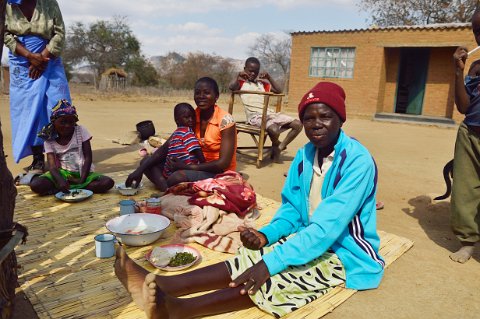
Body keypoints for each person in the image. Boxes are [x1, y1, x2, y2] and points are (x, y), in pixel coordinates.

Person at [115, 81, 384, 319]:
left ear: (341, 119)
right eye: (309, 118)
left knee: (279, 275)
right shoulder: (305, 155)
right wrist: (267, 235)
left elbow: (327, 229)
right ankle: (164, 285)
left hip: (346, 251)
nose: (316, 124)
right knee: (250, 257)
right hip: (308, 236)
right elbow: (292, 209)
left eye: (325, 116)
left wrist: (270, 263)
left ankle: (177, 310)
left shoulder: (357, 162)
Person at [125, 77, 237, 190]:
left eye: (207, 93)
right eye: (197, 93)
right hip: (192, 165)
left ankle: (167, 189)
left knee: (177, 177)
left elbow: (223, 163)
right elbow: (166, 147)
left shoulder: (225, 120)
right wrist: (139, 171)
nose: (201, 96)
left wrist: (187, 167)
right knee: (146, 163)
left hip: (217, 172)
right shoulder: (192, 117)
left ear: (216, 96)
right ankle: (168, 190)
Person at [4, 0, 71, 173]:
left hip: (49, 59)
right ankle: (38, 160)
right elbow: (5, 34)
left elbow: (60, 32)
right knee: (28, 111)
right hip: (21, 63)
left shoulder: (48, 3)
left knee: (57, 107)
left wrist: (40, 58)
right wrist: (29, 56)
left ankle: (62, 157)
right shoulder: (7, 5)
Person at [29, 100, 114, 195]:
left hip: (84, 173)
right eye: (63, 122)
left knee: (108, 182)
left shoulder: (81, 130)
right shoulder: (49, 139)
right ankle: (69, 186)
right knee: (36, 184)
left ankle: (66, 188)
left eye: (71, 122)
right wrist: (60, 180)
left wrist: (82, 179)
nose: (67, 126)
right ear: (54, 121)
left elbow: (88, 157)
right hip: (63, 174)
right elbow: (52, 167)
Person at [229, 57, 302, 163]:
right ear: (245, 69)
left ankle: (279, 148)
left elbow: (278, 90)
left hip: (270, 114)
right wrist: (238, 75)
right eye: (250, 71)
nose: (253, 74)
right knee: (274, 130)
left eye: (256, 71)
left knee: (298, 124)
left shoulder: (262, 84)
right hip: (255, 117)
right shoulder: (240, 83)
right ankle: (276, 143)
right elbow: (231, 87)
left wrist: (269, 77)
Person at [450, 9, 480, 263]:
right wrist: (458, 72)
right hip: (470, 133)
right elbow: (463, 107)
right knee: (465, 189)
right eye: (477, 31)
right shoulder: (476, 67)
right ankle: (468, 241)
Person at [156, 103, 206, 191]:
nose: (191, 120)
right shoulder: (187, 132)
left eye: (193, 117)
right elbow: (197, 150)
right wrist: (204, 165)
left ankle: (166, 188)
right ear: (177, 120)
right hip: (184, 170)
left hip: (168, 172)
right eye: (186, 117)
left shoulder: (176, 133)